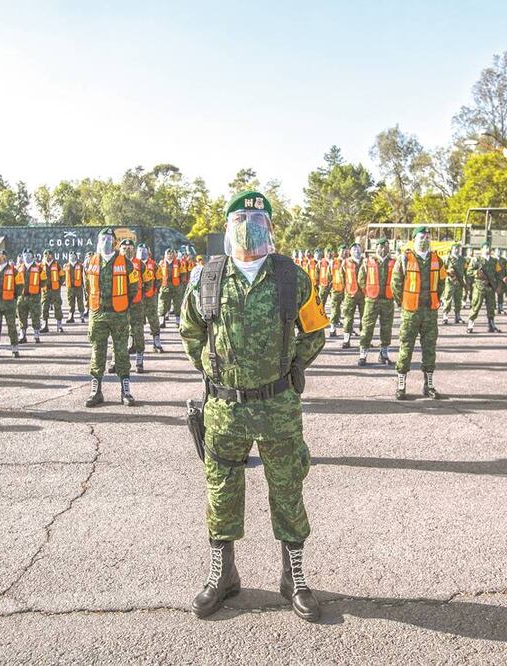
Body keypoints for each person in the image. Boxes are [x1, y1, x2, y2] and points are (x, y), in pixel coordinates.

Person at [180, 191, 327, 622]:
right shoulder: (206, 278)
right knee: (221, 490)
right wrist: (214, 373)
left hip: (278, 405)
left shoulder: (291, 277)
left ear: (270, 227)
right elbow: (191, 332)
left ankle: (294, 576)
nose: (249, 226)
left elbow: (314, 331)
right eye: (241, 218)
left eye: (257, 219)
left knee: (287, 487)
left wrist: (291, 367)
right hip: (224, 408)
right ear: (229, 227)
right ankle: (223, 575)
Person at [84, 228, 141, 407]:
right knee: (97, 352)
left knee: (121, 353)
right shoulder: (91, 261)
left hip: (119, 314)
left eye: (109, 239)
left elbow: (134, 287)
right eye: (103, 239)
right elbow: (87, 287)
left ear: (115, 243)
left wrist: (123, 306)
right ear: (98, 242)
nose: (106, 242)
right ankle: (96, 391)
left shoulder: (125, 263)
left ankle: (125, 391)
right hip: (98, 313)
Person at [392, 227, 447, 399]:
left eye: (427, 237)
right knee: (406, 347)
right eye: (421, 237)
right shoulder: (404, 259)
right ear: (414, 239)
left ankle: (428, 385)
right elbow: (396, 284)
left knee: (429, 348)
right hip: (411, 312)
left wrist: (435, 299)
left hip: (430, 311)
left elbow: (442, 283)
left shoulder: (437, 260)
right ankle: (401, 385)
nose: (424, 239)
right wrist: (404, 302)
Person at [356, 239, 396, 366]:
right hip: (371, 300)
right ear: (376, 247)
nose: (383, 249)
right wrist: (368, 293)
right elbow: (361, 279)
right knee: (367, 327)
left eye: (386, 247)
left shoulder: (393, 262)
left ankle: (384, 354)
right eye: (380, 246)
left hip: (388, 300)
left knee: (386, 328)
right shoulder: (368, 262)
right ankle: (363, 355)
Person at [0, 248, 23, 359]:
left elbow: (20, 286)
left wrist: (13, 297)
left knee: (11, 327)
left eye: (1, 256)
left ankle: (14, 348)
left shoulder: (13, 270)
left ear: (5, 257)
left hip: (9, 303)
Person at [120, 238, 148, 373]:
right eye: (124, 248)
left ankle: (139, 360)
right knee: (119, 333)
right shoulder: (116, 263)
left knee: (138, 332)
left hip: (136, 304)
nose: (127, 250)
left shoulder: (140, 264)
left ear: (134, 250)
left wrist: (141, 294)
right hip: (119, 304)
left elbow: (148, 281)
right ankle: (117, 361)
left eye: (130, 248)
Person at [466, 243, 501, 334]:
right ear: (481, 249)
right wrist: (477, 273)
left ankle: (491, 325)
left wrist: (498, 286)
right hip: (479, 286)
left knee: (491, 306)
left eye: (489, 247)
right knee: (476, 305)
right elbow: (469, 271)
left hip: (490, 287)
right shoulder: (476, 260)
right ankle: (470, 324)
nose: (487, 249)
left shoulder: (494, 261)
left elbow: (498, 274)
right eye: (485, 248)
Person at [137, 244, 163, 353]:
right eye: (140, 250)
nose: (142, 252)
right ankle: (134, 343)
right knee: (137, 321)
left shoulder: (154, 264)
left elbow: (159, 278)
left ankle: (156, 342)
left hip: (150, 297)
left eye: (144, 250)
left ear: (148, 252)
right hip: (137, 298)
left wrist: (154, 290)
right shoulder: (132, 264)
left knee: (153, 320)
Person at [340, 242, 365, 348]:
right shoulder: (345, 263)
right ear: (350, 252)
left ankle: (364, 340)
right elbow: (342, 277)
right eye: (354, 249)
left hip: (364, 294)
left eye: (358, 249)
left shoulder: (366, 262)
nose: (356, 251)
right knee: (348, 318)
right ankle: (346, 340)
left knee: (364, 318)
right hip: (350, 294)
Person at [17, 248, 43, 343]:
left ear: (32, 256)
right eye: (25, 255)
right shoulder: (18, 268)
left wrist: (37, 289)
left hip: (34, 296)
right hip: (22, 297)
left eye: (29, 255)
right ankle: (22, 334)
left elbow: (43, 281)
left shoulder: (39, 268)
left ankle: (36, 334)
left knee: (36, 315)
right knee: (21, 316)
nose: (27, 257)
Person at [40, 249, 66, 333]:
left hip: (55, 290)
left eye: (49, 255)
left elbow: (62, 276)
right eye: (45, 255)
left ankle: (59, 325)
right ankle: (45, 325)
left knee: (57, 307)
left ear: (52, 256)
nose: (47, 256)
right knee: (44, 307)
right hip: (45, 291)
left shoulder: (57, 265)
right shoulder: (40, 266)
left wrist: (58, 285)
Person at [441, 243, 466, 325]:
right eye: (455, 248)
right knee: (448, 298)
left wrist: (466, 282)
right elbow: (442, 270)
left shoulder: (462, 259)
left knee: (458, 299)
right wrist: (448, 271)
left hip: (459, 282)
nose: (457, 250)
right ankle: (445, 315)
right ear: (452, 249)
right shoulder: (447, 258)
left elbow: (465, 271)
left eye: (458, 248)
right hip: (449, 282)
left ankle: (457, 316)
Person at [158, 248, 182, 328]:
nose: (170, 256)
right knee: (163, 303)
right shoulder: (161, 263)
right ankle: (162, 320)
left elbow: (183, 273)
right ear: (165, 255)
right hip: (164, 285)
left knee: (177, 303)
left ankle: (178, 320)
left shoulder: (178, 263)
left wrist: (181, 284)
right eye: (168, 254)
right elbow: (157, 275)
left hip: (175, 286)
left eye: (172, 254)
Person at [326, 245, 347, 338]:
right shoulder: (333, 262)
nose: (344, 253)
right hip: (336, 289)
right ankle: (332, 329)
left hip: (347, 290)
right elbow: (328, 276)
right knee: (334, 309)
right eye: (342, 251)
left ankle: (347, 331)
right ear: (339, 252)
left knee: (347, 311)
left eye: (346, 251)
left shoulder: (349, 262)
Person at [65, 252, 87, 323]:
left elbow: (83, 276)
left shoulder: (80, 265)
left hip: (78, 287)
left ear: (76, 256)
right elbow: (62, 276)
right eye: (71, 256)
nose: (72, 257)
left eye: (73, 256)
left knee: (80, 301)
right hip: (70, 287)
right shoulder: (66, 266)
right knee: (70, 302)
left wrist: (84, 286)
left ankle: (82, 316)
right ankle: (71, 316)